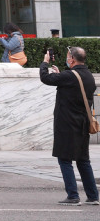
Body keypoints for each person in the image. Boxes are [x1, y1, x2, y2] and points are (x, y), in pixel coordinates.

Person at [40, 46, 98, 205]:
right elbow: (73, 89)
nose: (67, 58)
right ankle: (93, 196)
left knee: (64, 159)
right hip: (82, 123)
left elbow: (45, 78)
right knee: (83, 160)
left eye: (67, 56)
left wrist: (45, 62)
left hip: (67, 123)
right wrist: (61, 75)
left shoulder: (70, 76)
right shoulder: (88, 76)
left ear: (72, 59)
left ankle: (73, 195)